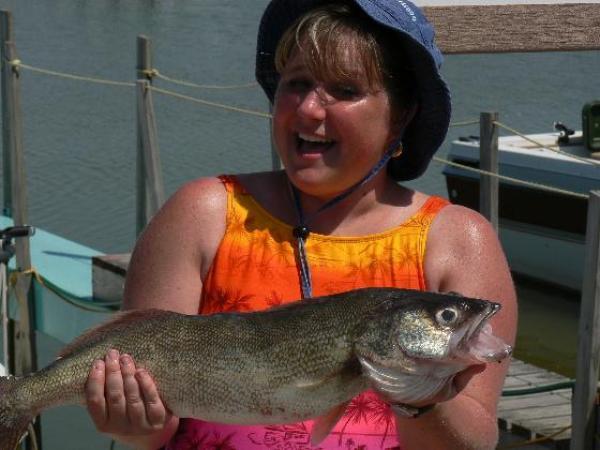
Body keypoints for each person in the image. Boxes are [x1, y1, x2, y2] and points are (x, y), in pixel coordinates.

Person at [85, 0, 517, 449]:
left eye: (345, 90)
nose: (309, 109)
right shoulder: (203, 214)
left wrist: (421, 397)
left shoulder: (457, 241)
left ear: (401, 115)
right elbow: (152, 431)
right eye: (296, 84)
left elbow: (473, 443)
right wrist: (132, 423)